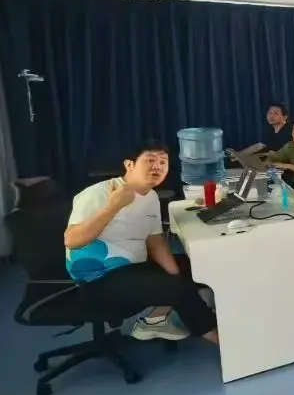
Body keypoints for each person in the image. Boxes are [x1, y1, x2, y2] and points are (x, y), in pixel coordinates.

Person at [64, 139, 217, 344]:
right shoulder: (98, 193)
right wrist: (113, 206)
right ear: (130, 164)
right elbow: (72, 240)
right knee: (178, 290)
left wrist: (175, 275)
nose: (157, 167)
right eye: (150, 160)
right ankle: (215, 336)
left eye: (163, 162)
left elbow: (155, 240)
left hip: (134, 266)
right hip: (99, 277)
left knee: (196, 267)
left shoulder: (151, 196)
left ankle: (154, 320)